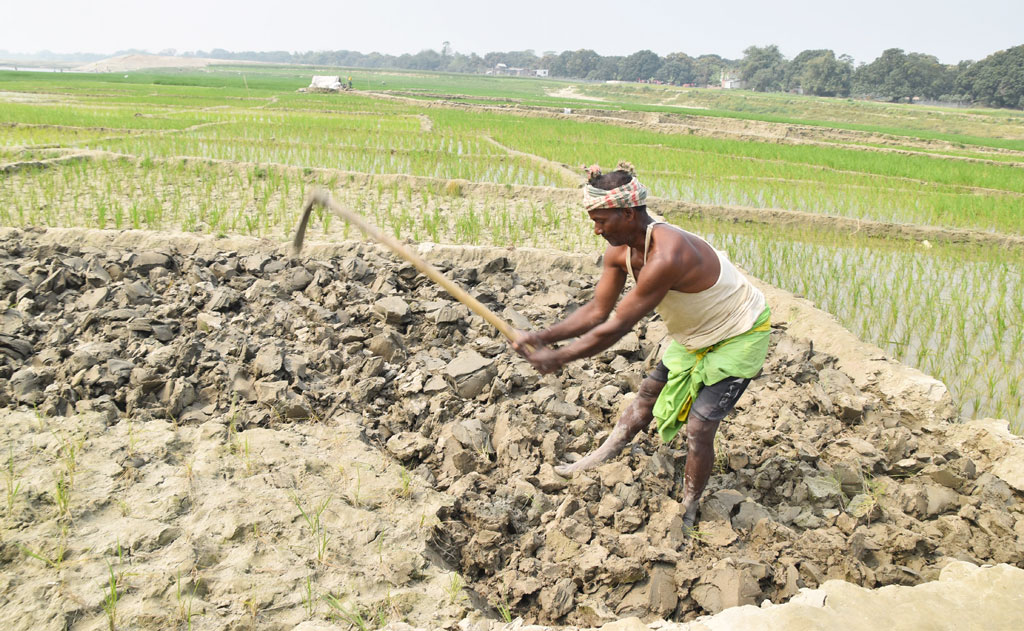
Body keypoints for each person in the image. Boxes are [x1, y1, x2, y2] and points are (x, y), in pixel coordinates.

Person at [513, 162, 771, 529]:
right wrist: (542, 336)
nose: (597, 230)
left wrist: (560, 357)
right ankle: (602, 454)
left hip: (738, 330)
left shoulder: (667, 255)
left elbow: (618, 325)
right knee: (648, 393)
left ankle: (690, 505)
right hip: (695, 333)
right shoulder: (620, 252)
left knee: (699, 428)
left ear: (628, 213)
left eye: (602, 220)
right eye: (594, 221)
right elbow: (597, 311)